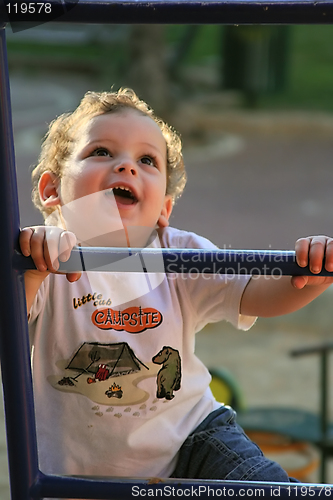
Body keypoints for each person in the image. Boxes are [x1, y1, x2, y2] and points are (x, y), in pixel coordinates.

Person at [20, 88, 333, 482]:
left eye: (146, 160)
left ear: (164, 210)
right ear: (52, 191)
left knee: (265, 488)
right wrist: (31, 269)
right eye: (101, 152)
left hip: (193, 439)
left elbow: (254, 294)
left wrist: (312, 276)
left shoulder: (179, 252)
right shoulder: (46, 259)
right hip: (77, 470)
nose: (126, 166)